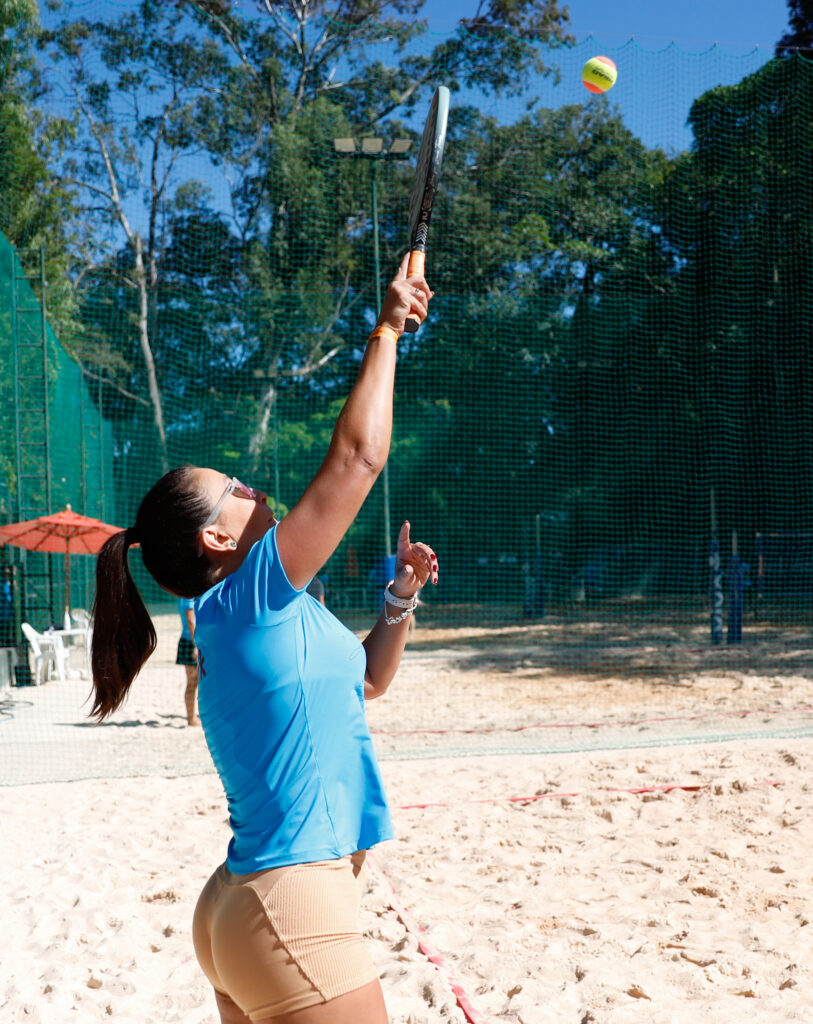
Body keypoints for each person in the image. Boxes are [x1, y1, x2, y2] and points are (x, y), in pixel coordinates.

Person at [89, 256, 438, 1024]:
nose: (252, 485)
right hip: (290, 904)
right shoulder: (246, 600)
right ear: (217, 537)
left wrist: (398, 601)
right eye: (236, 489)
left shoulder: (270, 614)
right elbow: (357, 460)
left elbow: (367, 683)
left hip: (244, 912)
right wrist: (384, 329)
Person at [176, 596, 200, 725]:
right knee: (193, 682)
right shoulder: (188, 597)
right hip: (191, 642)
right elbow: (191, 620)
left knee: (198, 682)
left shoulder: (189, 595)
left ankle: (195, 716)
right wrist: (196, 645)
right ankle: (191, 718)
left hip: (193, 641)